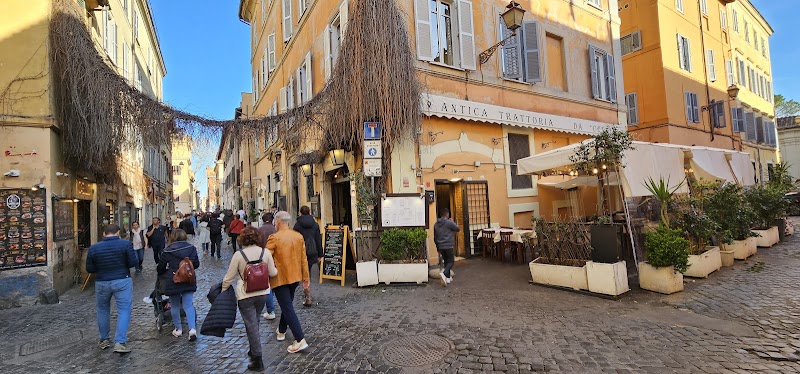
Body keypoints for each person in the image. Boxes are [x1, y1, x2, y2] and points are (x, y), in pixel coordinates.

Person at [222, 227, 278, 371]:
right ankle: (253, 349)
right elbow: (273, 272)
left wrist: (223, 292)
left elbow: (228, 278)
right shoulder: (265, 252)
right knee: (254, 321)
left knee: (251, 324)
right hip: (263, 293)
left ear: (242, 239)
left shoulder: (238, 255)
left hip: (245, 295)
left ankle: (257, 359)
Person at [86, 224, 137, 354]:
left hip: (102, 281)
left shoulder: (94, 248)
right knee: (124, 310)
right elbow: (133, 262)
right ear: (118, 233)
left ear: (104, 234)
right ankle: (120, 342)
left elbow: (89, 269)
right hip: (122, 280)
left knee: (102, 310)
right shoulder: (125, 244)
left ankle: (104, 340)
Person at [267, 211, 310, 353]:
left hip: (280, 277)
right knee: (287, 305)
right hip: (295, 276)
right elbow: (304, 259)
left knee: (287, 307)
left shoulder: (274, 238)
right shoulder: (298, 236)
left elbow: (266, 258)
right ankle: (281, 330)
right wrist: (306, 278)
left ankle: (300, 339)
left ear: (278, 221)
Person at [157, 229, 200, 340]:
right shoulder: (191, 248)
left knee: (175, 305)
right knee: (188, 305)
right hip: (188, 278)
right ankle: (192, 329)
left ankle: (178, 329)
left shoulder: (167, 250)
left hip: (173, 279)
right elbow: (196, 264)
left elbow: (160, 267)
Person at [293, 206, 322, 307]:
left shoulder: (297, 225)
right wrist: (320, 254)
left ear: (300, 213)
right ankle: (307, 293)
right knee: (307, 272)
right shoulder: (315, 224)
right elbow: (318, 239)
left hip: (301, 251)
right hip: (312, 251)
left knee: (304, 273)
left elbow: (294, 240)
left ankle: (307, 295)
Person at [257, 212, 277, 320]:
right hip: (276, 259)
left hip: (263, 258)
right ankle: (272, 305)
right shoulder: (275, 230)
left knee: (267, 285)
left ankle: (270, 309)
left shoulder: (260, 230)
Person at [434, 209, 460, 287]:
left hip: (441, 246)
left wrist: (437, 247)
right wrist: (452, 222)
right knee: (451, 261)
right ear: (447, 214)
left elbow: (435, 237)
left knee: (446, 261)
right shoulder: (449, 222)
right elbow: (458, 229)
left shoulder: (435, 224)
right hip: (448, 245)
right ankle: (444, 273)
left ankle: (448, 278)